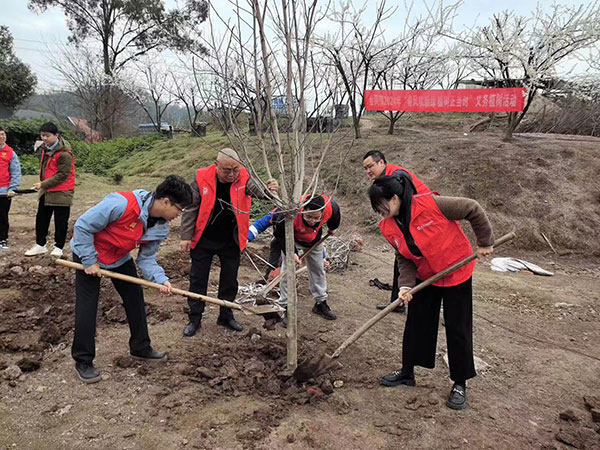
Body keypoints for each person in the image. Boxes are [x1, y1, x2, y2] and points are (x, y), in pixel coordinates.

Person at [368, 175, 494, 410]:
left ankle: (459, 382)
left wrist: (485, 241)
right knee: (416, 324)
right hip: (426, 277)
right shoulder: (387, 226)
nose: (379, 212)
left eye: (381, 206)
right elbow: (403, 257)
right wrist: (405, 285)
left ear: (395, 198)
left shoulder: (430, 204)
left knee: (458, 328)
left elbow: (472, 208)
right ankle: (407, 372)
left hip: (457, 272)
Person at [70, 175, 193, 383]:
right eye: (179, 210)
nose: (178, 216)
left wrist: (160, 279)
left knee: (135, 299)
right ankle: (83, 360)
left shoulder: (161, 226)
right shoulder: (122, 204)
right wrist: (90, 261)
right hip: (88, 254)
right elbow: (82, 226)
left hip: (119, 257)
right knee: (87, 306)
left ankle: (141, 347)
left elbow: (146, 259)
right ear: (166, 202)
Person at [179, 148, 278, 336]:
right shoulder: (201, 177)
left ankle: (226, 315)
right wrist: (185, 236)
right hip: (204, 238)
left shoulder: (243, 177)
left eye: (235, 169)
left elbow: (259, 191)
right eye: (227, 170)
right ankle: (195, 318)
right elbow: (191, 208)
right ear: (216, 166)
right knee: (198, 279)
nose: (232, 174)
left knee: (229, 280)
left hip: (231, 239)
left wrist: (270, 190)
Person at [363, 150, 431, 313]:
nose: (368, 171)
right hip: (404, 223)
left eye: (370, 166)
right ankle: (398, 301)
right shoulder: (381, 183)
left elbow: (408, 202)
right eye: (365, 168)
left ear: (382, 163)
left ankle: (417, 301)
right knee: (401, 257)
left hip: (422, 220)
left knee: (416, 260)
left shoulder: (397, 176)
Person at [272, 194, 341, 324]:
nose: (312, 221)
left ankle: (320, 302)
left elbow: (335, 218)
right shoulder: (288, 212)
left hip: (314, 240)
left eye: (316, 218)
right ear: (303, 210)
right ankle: (285, 306)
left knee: (318, 269)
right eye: (308, 216)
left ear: (322, 213)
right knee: (288, 271)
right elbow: (280, 235)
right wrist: (291, 252)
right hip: (291, 238)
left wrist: (332, 228)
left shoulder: (331, 208)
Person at [25, 122, 75, 258]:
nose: (44, 138)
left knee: (60, 221)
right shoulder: (45, 149)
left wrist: (43, 184)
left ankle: (59, 247)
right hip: (46, 190)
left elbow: (62, 175)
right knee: (41, 218)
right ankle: (40, 244)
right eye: (42, 135)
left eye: (47, 135)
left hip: (62, 191)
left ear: (56, 136)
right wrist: (43, 185)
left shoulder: (64, 154)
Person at [0, 126, 22, 251]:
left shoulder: (10, 153)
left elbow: (16, 172)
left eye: (3, 134)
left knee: (2, 216)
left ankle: (2, 239)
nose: (1, 137)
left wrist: (12, 189)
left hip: (4, 192)